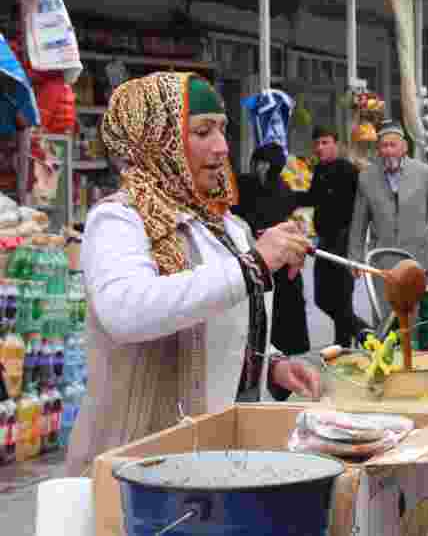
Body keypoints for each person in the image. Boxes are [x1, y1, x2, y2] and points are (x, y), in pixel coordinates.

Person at [66, 73, 319, 477]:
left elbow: (220, 321)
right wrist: (252, 265)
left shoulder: (224, 224)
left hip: (217, 456)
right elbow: (126, 312)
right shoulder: (119, 220)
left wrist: (268, 365)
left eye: (222, 130)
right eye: (202, 131)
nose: (221, 147)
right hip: (139, 464)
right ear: (155, 138)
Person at [348, 122, 428, 312]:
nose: (388, 151)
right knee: (387, 318)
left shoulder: (423, 173)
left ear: (404, 147)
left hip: (420, 260)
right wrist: (355, 256)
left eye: (393, 145)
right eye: (384, 146)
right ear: (378, 149)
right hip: (384, 263)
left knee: (421, 316)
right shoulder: (366, 178)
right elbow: (358, 222)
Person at [232, 142, 309, 355]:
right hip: (264, 268)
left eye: (264, 165)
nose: (262, 170)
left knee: (278, 338)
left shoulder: (272, 188)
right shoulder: (252, 185)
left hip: (276, 270)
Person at [297, 126, 362, 348]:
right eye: (317, 143)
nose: (319, 148)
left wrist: (356, 245)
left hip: (344, 242)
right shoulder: (319, 170)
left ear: (336, 144)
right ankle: (363, 331)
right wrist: (284, 196)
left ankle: (344, 344)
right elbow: (313, 198)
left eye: (325, 142)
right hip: (324, 241)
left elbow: (361, 208)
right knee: (322, 298)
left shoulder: (349, 170)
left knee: (342, 298)